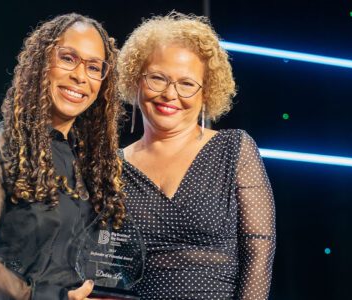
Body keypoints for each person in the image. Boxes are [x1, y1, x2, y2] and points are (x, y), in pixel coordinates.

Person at [0, 13, 127, 300]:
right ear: (42, 63)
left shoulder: (99, 163)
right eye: (68, 58)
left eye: (94, 67)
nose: (80, 76)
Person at [117, 12, 276, 299]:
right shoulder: (113, 167)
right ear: (136, 80)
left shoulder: (234, 149)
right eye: (157, 78)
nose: (170, 94)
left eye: (187, 83)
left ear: (207, 93)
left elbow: (259, 253)